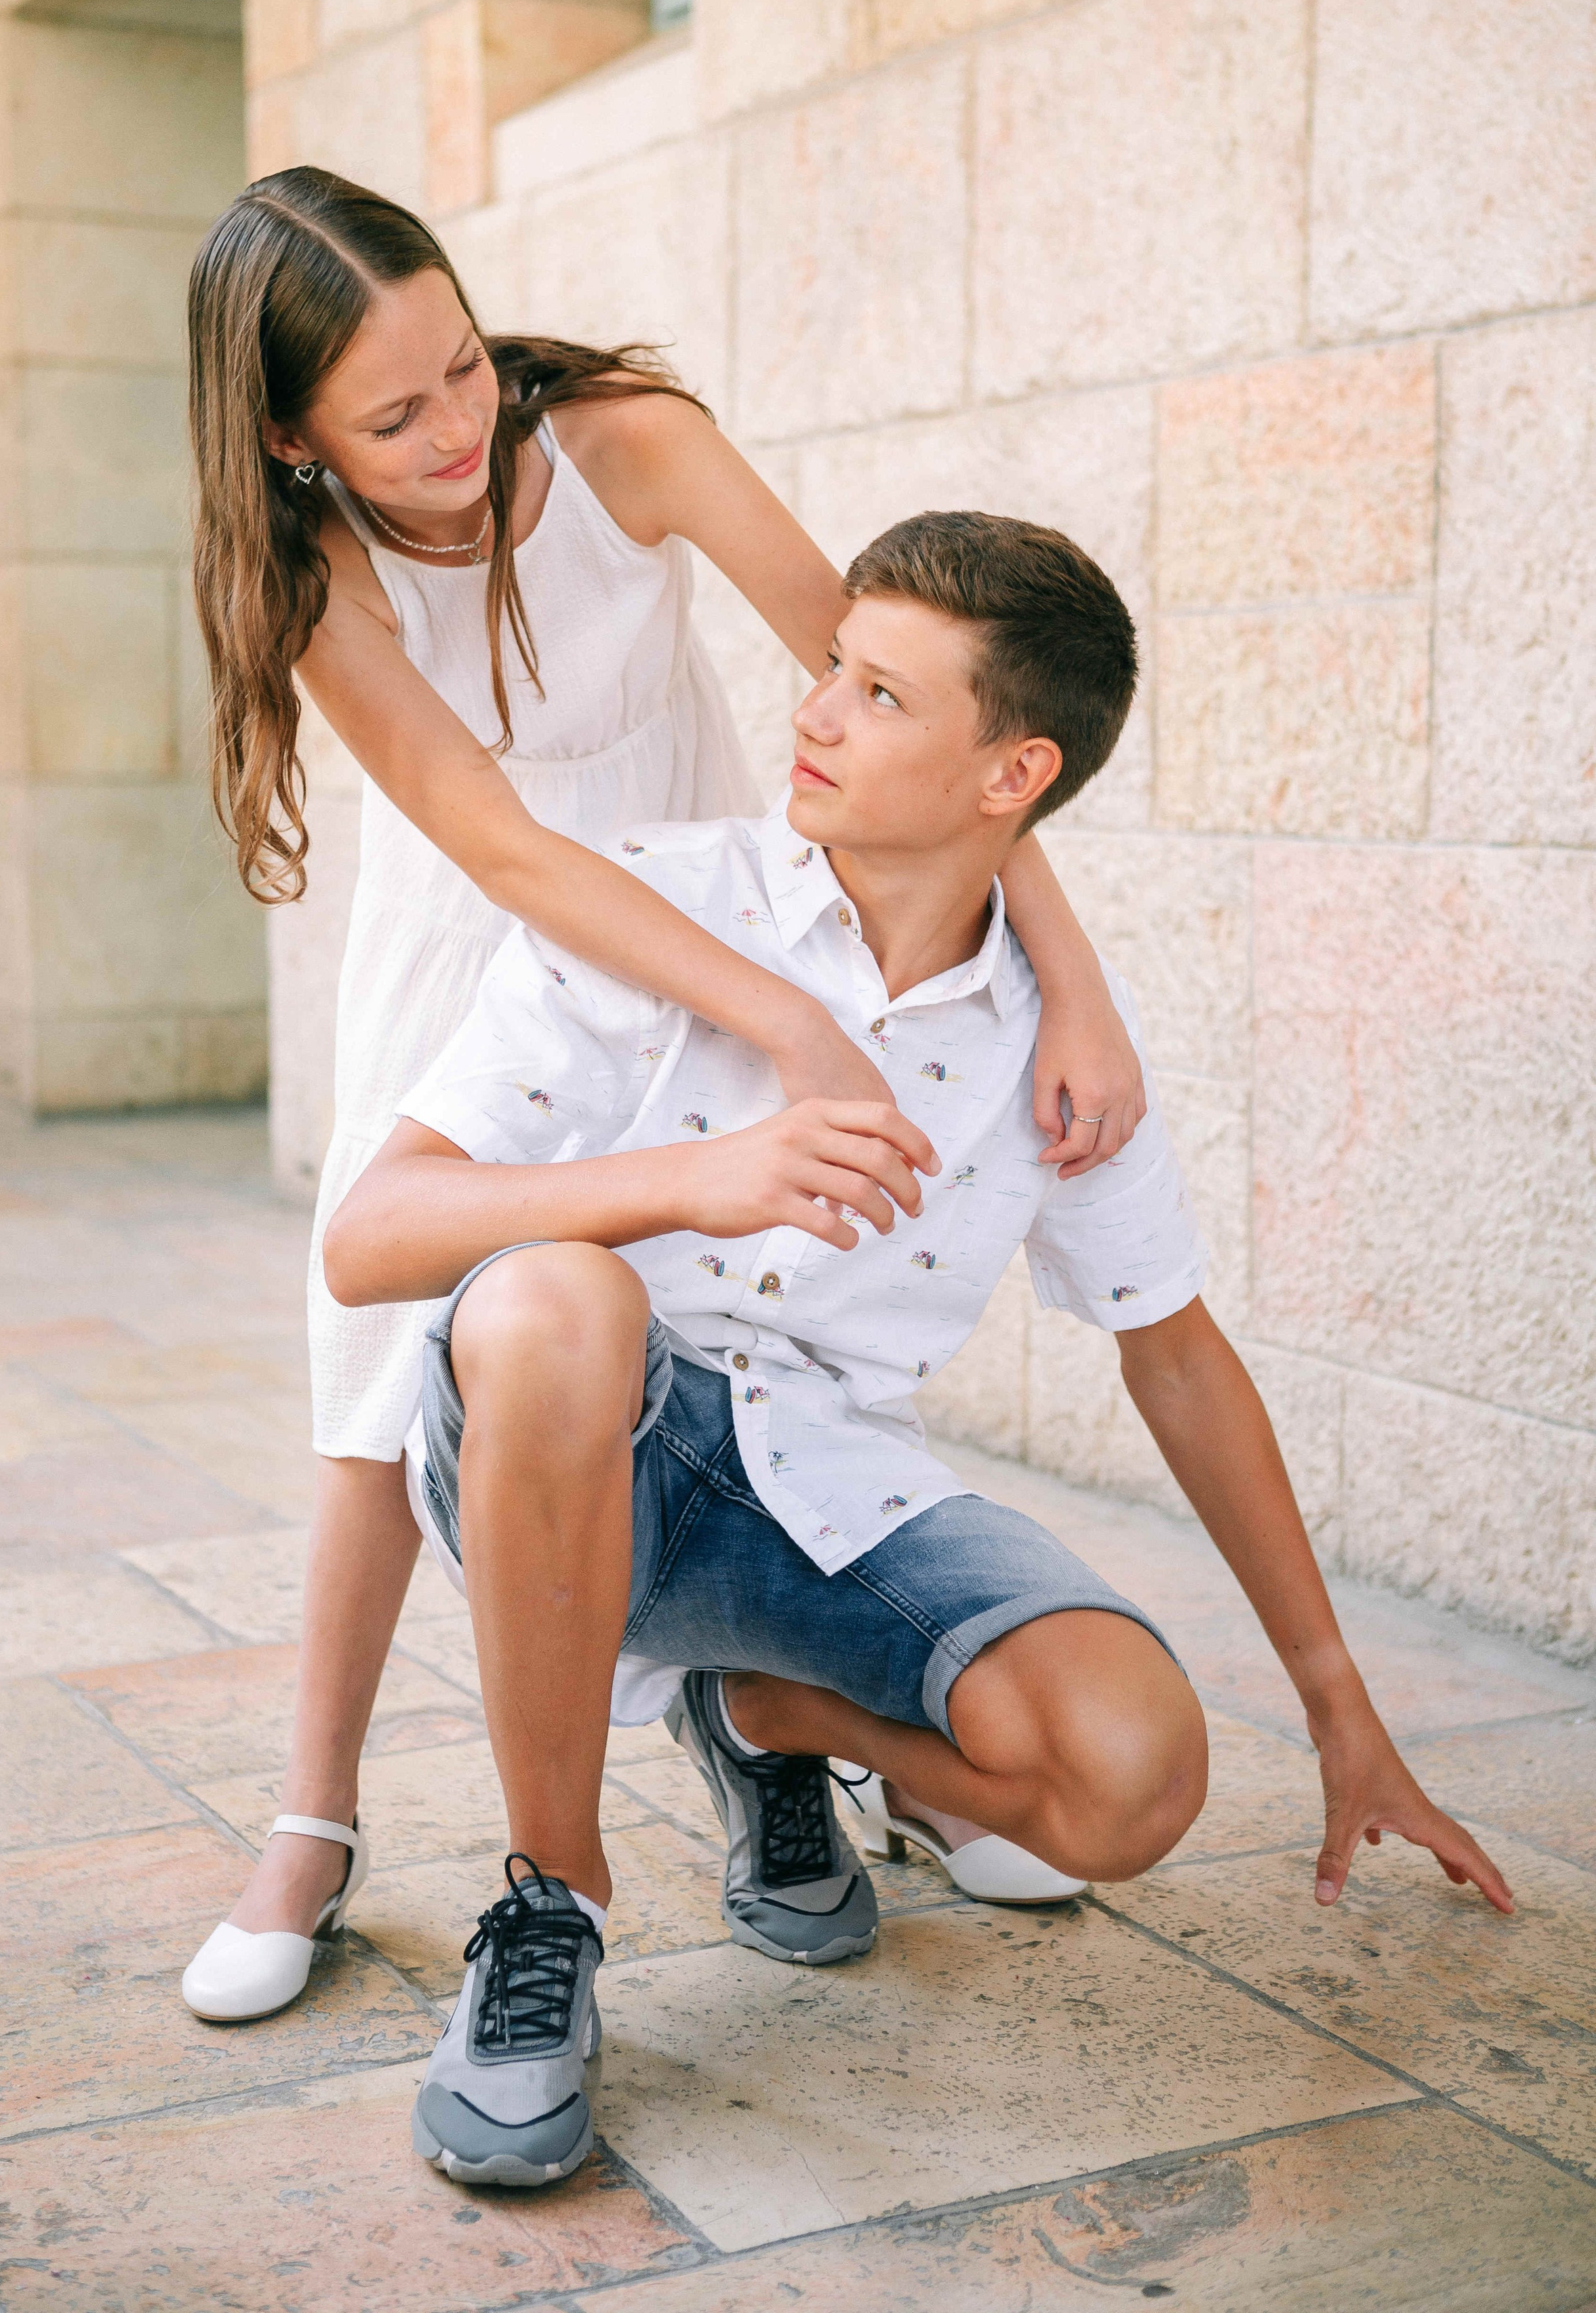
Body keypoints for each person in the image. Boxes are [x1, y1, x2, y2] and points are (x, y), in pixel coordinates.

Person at [322, 510, 1513, 2190]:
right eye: (829, 668)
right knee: (558, 1296)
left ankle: (765, 1716)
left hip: (824, 1490)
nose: (811, 712)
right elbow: (367, 1238)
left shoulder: (1057, 1046)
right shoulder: (666, 904)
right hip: (578, 1443)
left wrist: (1338, 1706)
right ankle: (549, 1903)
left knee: (1131, 1779)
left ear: (1006, 774)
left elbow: (1170, 1351)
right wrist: (695, 1177)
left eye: (877, 695)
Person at [178, 172, 1142, 2022]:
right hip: (498, 947)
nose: (459, 428)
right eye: (394, 416)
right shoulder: (310, 577)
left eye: (463, 365)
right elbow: (511, 854)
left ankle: (833, 1727)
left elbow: (915, 707)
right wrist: (786, 1024)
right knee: (387, 1378)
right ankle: (315, 1816)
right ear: (290, 435)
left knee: (755, 1332)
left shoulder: (634, 446)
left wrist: (1074, 985)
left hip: (731, 904)